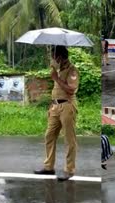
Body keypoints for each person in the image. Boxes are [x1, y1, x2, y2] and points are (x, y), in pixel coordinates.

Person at [34, 46, 80, 181]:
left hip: (67, 106)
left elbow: (71, 90)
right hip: (55, 106)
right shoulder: (57, 70)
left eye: (54, 56)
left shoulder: (72, 70)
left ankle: (69, 170)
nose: (52, 59)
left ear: (60, 57)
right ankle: (49, 167)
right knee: (49, 136)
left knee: (69, 139)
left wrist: (56, 79)